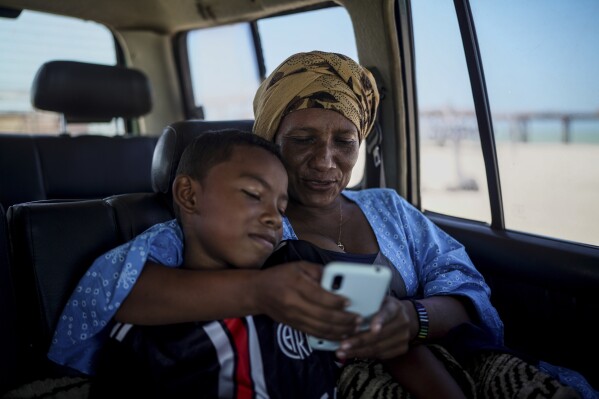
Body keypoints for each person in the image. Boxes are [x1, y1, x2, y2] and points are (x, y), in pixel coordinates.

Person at [48, 51, 595, 399]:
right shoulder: (228, 226)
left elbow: (462, 281)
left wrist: (414, 319)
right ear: (269, 138)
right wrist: (262, 291)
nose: (325, 161)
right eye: (302, 139)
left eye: (344, 141)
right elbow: (116, 291)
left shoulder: (389, 209)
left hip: (437, 357)